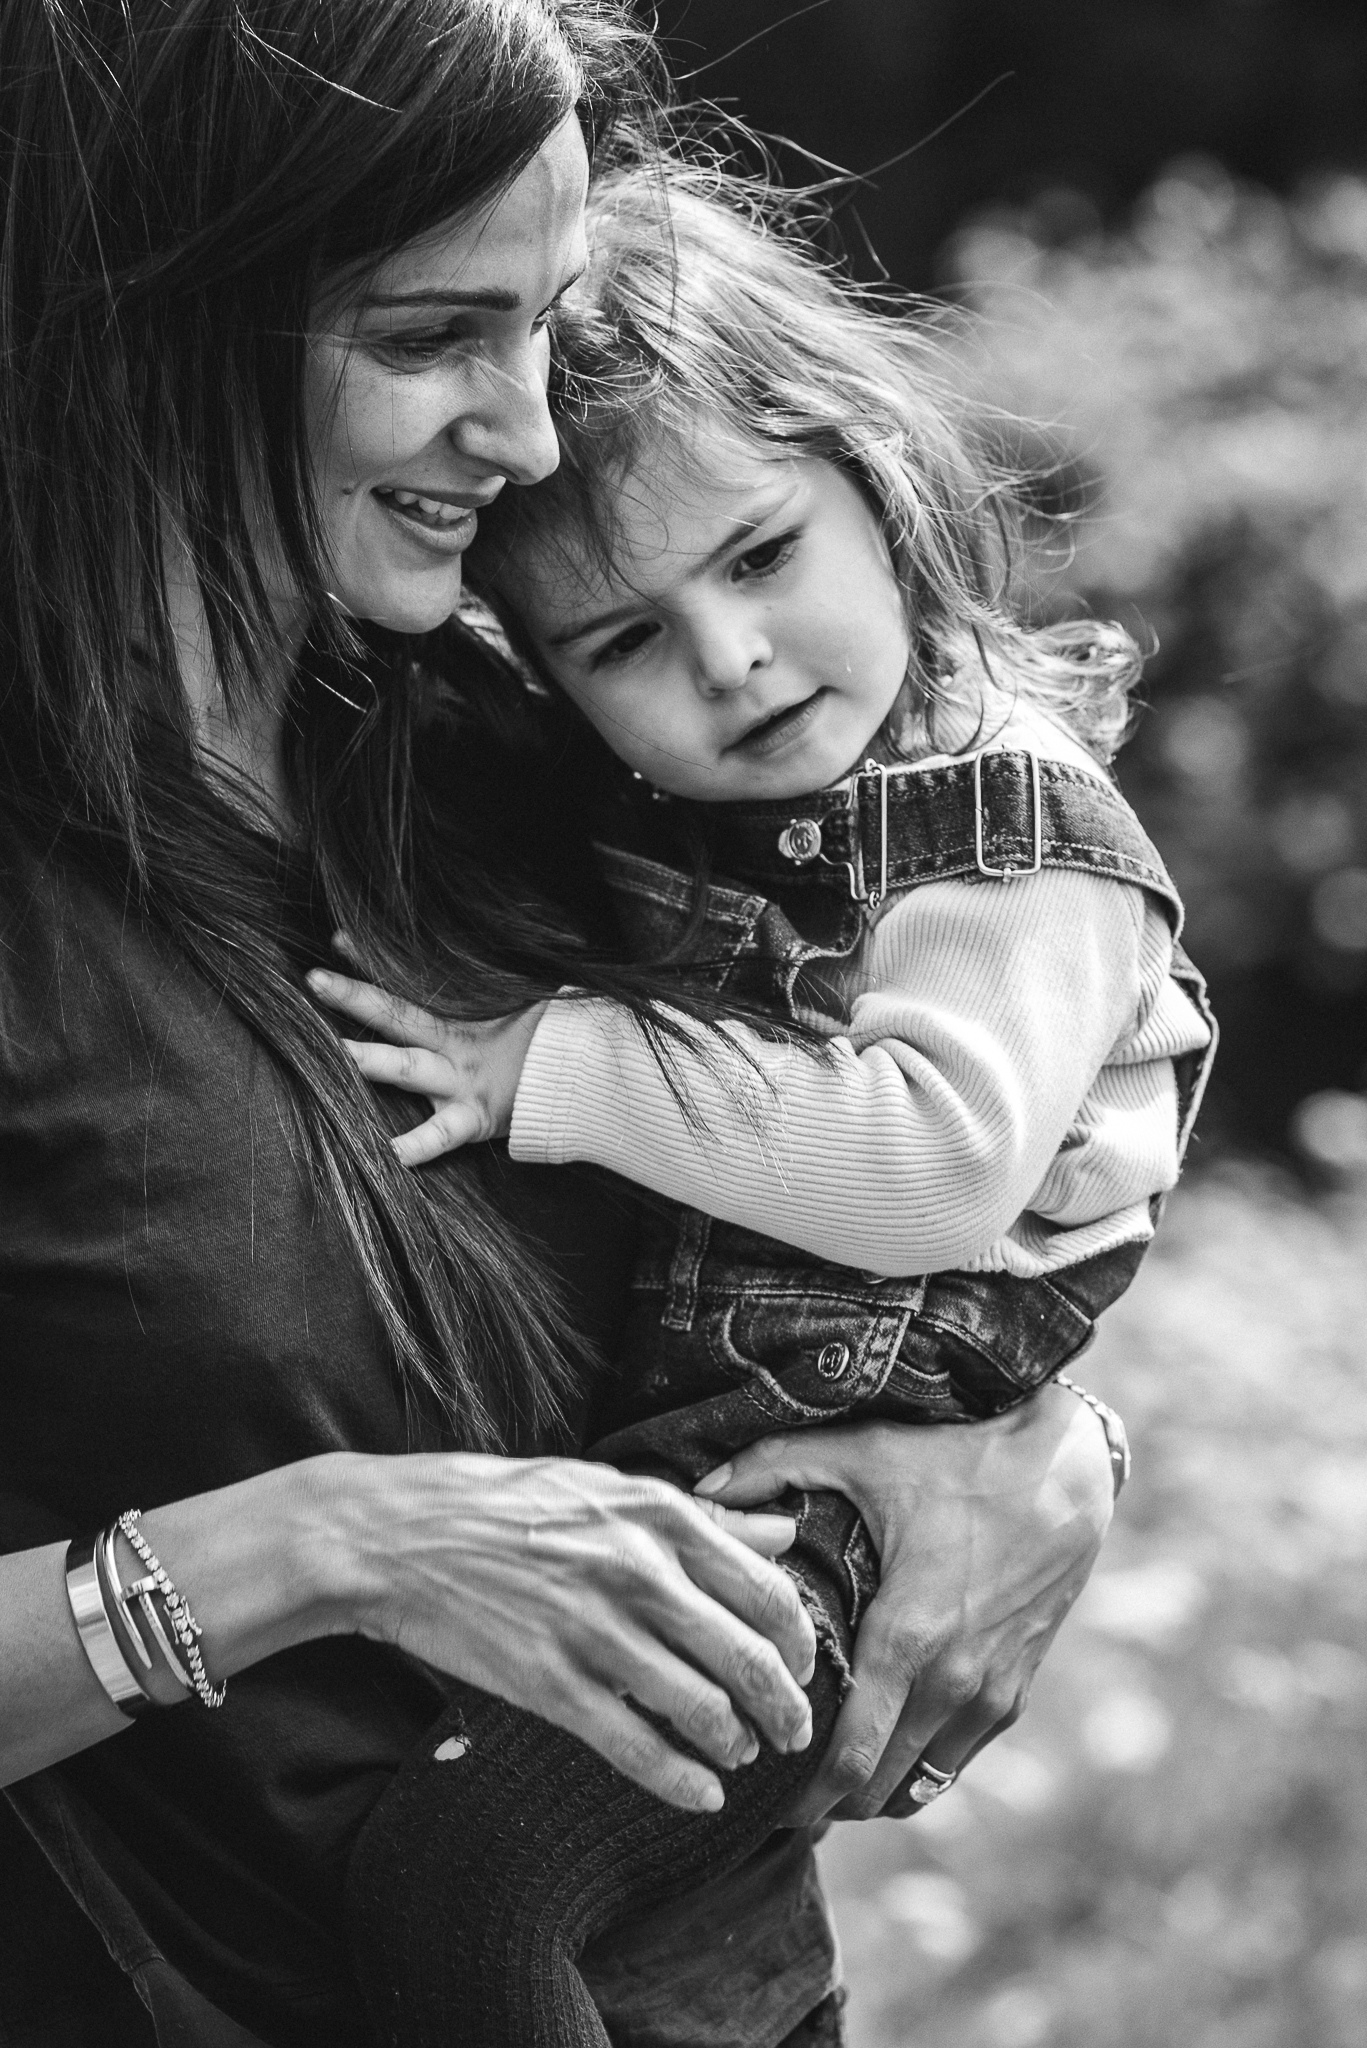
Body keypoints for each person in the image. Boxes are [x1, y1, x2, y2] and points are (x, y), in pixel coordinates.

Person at [0, 9, 1124, 2047]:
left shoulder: (537, 760)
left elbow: (947, 1147)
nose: (525, 436)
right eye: (433, 338)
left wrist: (1022, 1444)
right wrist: (310, 1550)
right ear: (157, 317)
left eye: (549, 325)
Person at [312, 166, 1217, 2047]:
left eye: (760, 557)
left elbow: (932, 1171)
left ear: (877, 480)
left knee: (464, 1892)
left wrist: (549, 1069)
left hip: (823, 1529)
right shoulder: (707, 810)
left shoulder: (1005, 839)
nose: (728, 662)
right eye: (623, 644)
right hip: (733, 1499)